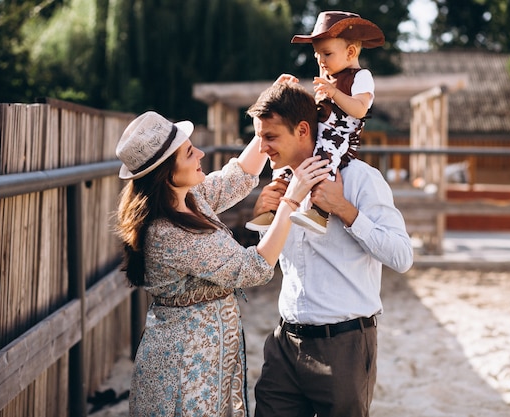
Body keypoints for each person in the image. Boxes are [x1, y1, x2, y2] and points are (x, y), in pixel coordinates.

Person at [114, 110, 330, 416]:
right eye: (190, 152)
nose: (200, 152)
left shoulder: (189, 197)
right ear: (166, 171)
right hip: (186, 360)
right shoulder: (168, 232)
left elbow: (237, 177)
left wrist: (265, 128)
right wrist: (291, 201)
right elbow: (252, 267)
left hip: (206, 350)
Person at [246, 81, 414, 417]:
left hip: (344, 347)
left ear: (303, 130)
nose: (261, 147)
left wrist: (345, 210)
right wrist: (267, 216)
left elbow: (402, 256)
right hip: (284, 343)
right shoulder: (281, 187)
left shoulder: (361, 180)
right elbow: (275, 263)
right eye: (259, 136)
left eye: (270, 137)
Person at [246, 11, 385, 234]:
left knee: (323, 159)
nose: (320, 60)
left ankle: (319, 211)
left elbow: (359, 109)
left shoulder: (360, 77)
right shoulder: (328, 76)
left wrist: (334, 93)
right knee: (285, 169)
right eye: (317, 55)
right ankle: (271, 209)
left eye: (327, 54)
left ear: (350, 52)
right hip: (321, 131)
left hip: (339, 134)